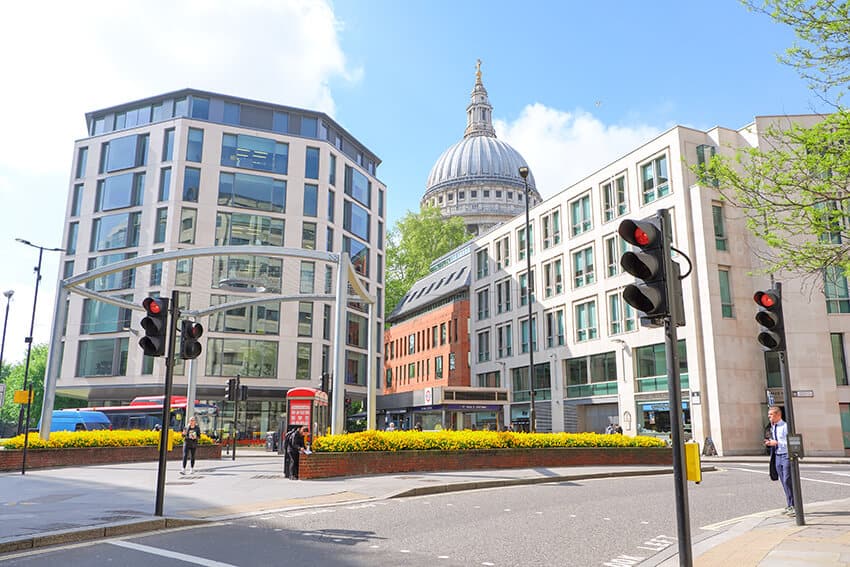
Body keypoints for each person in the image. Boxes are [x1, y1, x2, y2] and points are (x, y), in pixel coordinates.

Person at [765, 406, 795, 516]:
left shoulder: (785, 426)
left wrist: (776, 443)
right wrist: (769, 443)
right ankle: (790, 505)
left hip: (786, 455)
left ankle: (794, 505)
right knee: (783, 481)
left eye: (771, 414)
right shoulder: (773, 427)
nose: (769, 417)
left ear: (778, 415)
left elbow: (790, 443)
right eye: (768, 415)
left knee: (788, 480)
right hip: (777, 456)